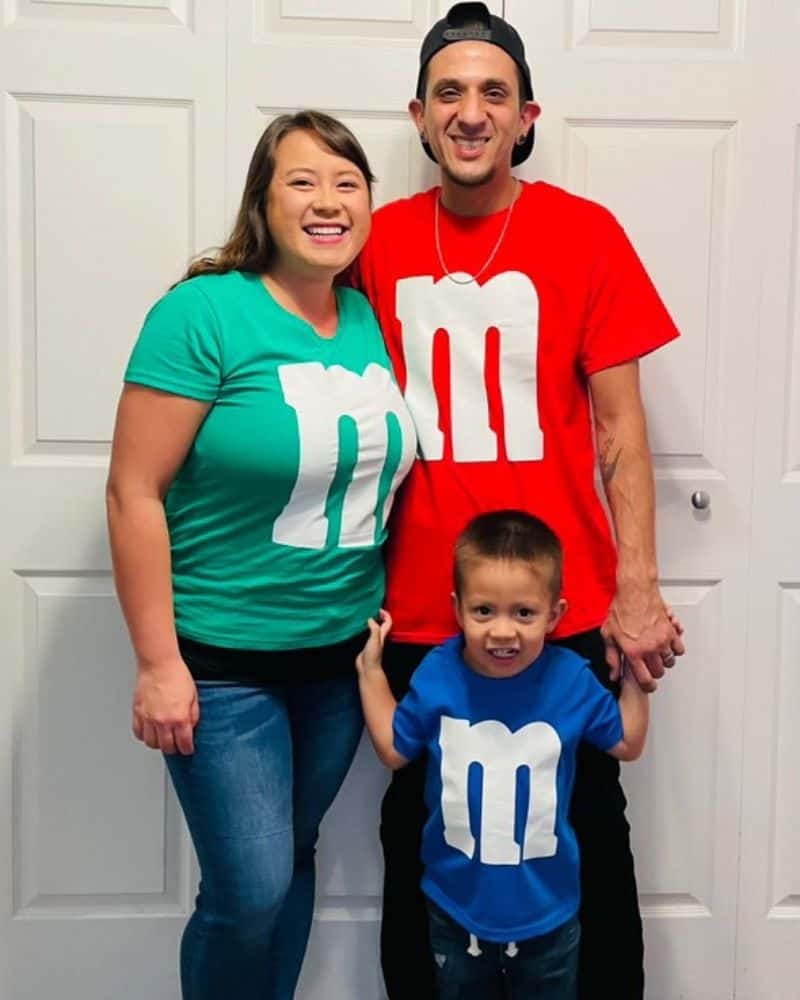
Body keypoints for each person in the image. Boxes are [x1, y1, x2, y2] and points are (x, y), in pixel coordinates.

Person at [351, 3, 685, 997]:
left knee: (583, 826)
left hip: (561, 604)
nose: (469, 111)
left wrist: (637, 589)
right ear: (417, 116)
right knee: (421, 834)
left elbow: (622, 433)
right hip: (422, 604)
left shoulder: (583, 234)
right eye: (448, 92)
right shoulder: (372, 241)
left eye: (491, 92)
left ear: (525, 114)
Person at [106, 110, 416, 1000]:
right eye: (303, 181)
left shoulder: (364, 317)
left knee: (293, 859)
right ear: (262, 201)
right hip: (222, 667)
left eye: (348, 182)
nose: (329, 201)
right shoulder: (204, 312)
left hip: (337, 664)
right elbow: (133, 493)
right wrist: (158, 663)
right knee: (249, 891)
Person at [356, 510, 652, 1000]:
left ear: (554, 614)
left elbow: (626, 741)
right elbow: (393, 748)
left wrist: (637, 676)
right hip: (455, 913)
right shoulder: (438, 674)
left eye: (523, 613)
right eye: (483, 611)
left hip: (551, 917)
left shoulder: (572, 678)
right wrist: (371, 674)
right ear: (458, 608)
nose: (502, 632)